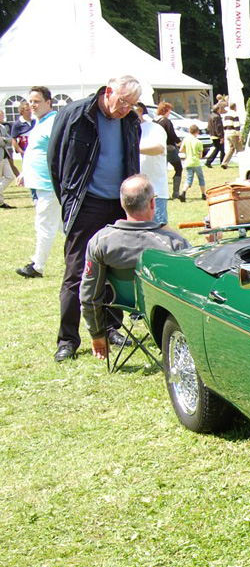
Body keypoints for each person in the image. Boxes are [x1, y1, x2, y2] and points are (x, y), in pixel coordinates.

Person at [48, 75, 142, 363]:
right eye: (123, 102)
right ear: (109, 91)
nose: (126, 109)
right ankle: (68, 339)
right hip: (86, 204)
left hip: (118, 203)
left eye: (132, 105)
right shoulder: (76, 114)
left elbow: (132, 159)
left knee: (115, 268)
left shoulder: (130, 121)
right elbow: (55, 160)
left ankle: (113, 326)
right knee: (77, 272)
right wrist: (69, 200)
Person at [79, 175, 189, 359]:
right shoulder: (174, 243)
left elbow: (89, 294)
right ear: (153, 204)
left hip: (124, 302)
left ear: (122, 203)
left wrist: (97, 334)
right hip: (163, 309)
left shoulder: (101, 241)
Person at [15, 87, 60, 278]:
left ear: (48, 102)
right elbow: (35, 152)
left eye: (37, 101)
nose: (32, 105)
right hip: (40, 184)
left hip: (49, 185)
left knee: (44, 224)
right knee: (62, 226)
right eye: (30, 101)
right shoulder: (39, 122)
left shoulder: (52, 123)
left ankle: (37, 266)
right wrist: (25, 172)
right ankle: (89, 255)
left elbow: (58, 152)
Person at [134, 103, 170, 225]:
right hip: (132, 193)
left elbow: (159, 148)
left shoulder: (154, 128)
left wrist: (133, 149)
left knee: (159, 232)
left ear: (139, 110)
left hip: (155, 191)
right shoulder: (123, 130)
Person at [153, 102, 182, 200]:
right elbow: (172, 135)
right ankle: (176, 193)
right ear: (166, 110)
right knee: (178, 168)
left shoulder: (154, 121)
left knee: (162, 171)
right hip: (169, 149)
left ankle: (160, 192)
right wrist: (179, 142)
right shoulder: (166, 121)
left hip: (157, 148)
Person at [179, 124, 206, 201]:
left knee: (189, 179)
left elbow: (181, 150)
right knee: (201, 178)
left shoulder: (186, 139)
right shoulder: (198, 142)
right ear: (197, 132)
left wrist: (187, 152)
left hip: (187, 162)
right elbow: (200, 156)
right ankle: (203, 194)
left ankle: (183, 192)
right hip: (196, 162)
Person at [0, 110, 16, 208]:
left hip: (4, 155)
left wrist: (4, 139)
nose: (3, 117)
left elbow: (10, 140)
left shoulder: (2, 127)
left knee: (10, 176)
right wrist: (4, 140)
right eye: (1, 115)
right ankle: (1, 202)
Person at [221, 102, 243, 167]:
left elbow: (224, 125)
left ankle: (224, 162)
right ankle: (242, 163)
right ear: (235, 107)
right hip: (234, 133)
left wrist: (225, 133)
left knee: (231, 149)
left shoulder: (225, 115)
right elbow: (237, 125)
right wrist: (239, 135)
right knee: (239, 149)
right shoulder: (235, 114)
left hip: (227, 133)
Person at [205, 103, 225, 167]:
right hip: (217, 135)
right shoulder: (217, 117)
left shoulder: (210, 116)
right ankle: (221, 162)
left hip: (212, 134)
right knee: (220, 149)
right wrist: (221, 136)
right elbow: (218, 127)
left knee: (218, 149)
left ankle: (210, 161)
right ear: (218, 109)